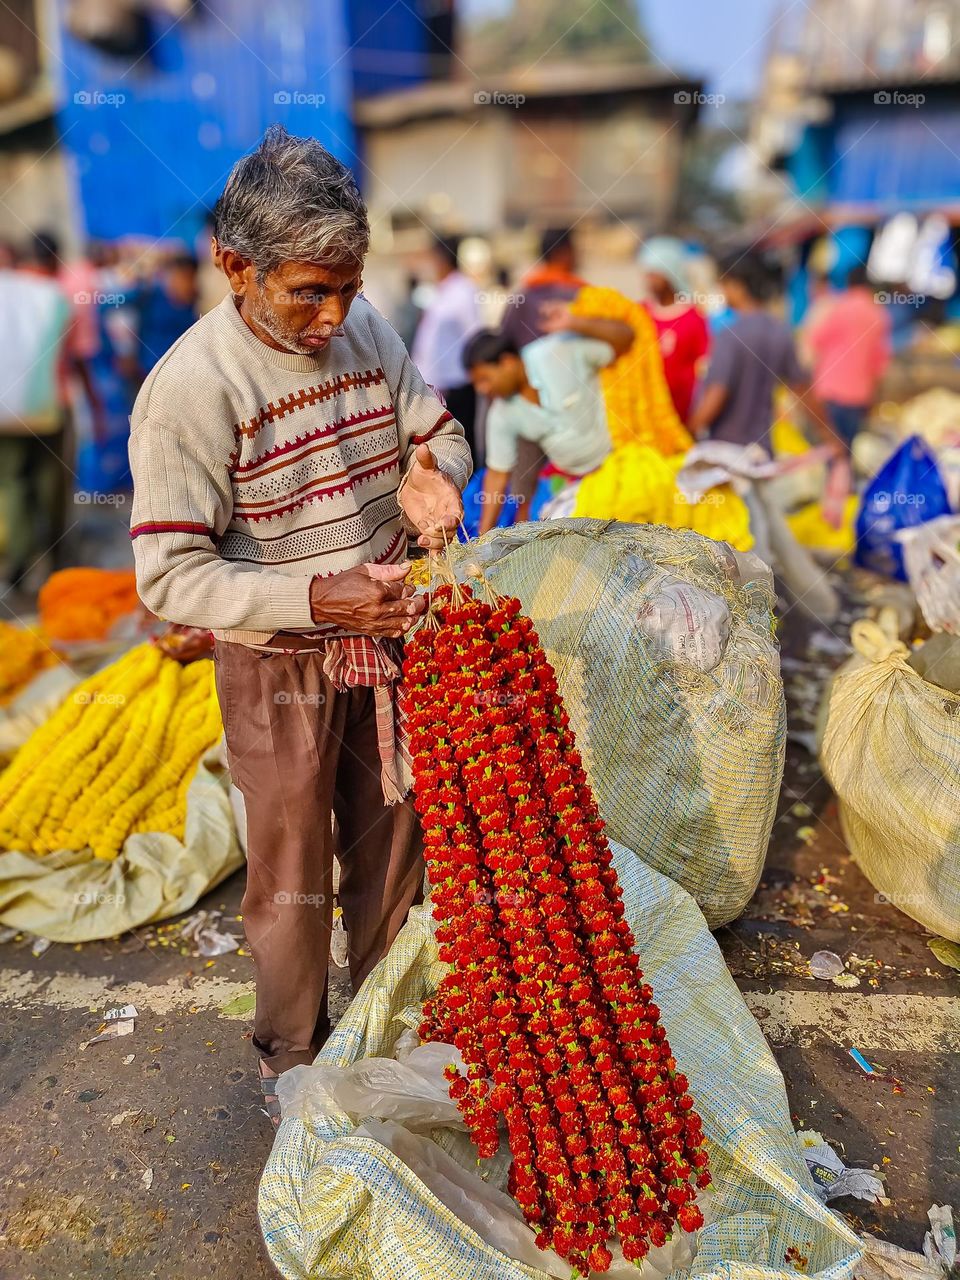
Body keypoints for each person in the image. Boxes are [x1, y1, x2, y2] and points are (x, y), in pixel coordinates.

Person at [128, 126, 471, 1120]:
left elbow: (438, 430)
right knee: (288, 869)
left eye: (348, 288)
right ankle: (289, 1052)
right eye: (307, 292)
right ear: (234, 266)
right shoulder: (191, 390)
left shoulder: (370, 334)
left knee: (395, 841)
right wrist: (321, 597)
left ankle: (391, 1028)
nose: (333, 316)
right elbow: (171, 575)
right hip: (279, 665)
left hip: (390, 644)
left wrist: (429, 474)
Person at [690, 252, 849, 522]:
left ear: (738, 286)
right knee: (760, 527)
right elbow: (803, 390)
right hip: (761, 453)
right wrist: (831, 437)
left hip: (726, 453)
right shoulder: (779, 331)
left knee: (735, 535)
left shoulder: (730, 335)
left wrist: (690, 430)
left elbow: (717, 394)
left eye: (724, 284)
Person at [465, 306, 632, 536]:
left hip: (623, 467)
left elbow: (626, 338)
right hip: (573, 487)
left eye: (485, 379)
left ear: (507, 362)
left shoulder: (558, 351)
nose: (482, 389)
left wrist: (577, 323)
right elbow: (497, 475)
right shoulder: (501, 413)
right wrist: (481, 540)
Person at [0, 256, 71, 587]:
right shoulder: (54, 295)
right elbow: (69, 356)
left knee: (14, 483)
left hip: (5, 412)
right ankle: (54, 559)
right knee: (51, 486)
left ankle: (19, 559)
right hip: (47, 407)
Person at [805, 265, 891, 448]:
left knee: (829, 450)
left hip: (829, 390)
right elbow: (879, 364)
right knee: (847, 448)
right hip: (859, 395)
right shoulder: (877, 313)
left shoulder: (838, 308)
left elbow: (816, 341)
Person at [411, 235, 480, 457]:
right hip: (437, 386)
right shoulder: (441, 291)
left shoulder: (464, 290)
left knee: (460, 445)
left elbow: (474, 335)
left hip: (457, 384)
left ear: (442, 259)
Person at [637, 236, 709, 425]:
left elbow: (703, 367)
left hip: (682, 414)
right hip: (646, 414)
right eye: (647, 274)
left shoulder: (693, 318)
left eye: (655, 274)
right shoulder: (639, 313)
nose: (649, 280)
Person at [131, 252, 201, 380]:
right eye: (180, 277)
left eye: (188, 278)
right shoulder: (151, 295)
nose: (183, 283)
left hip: (180, 373)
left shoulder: (198, 306)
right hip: (149, 370)